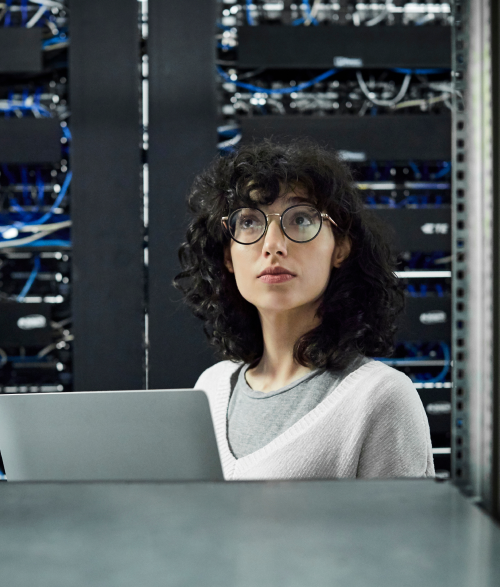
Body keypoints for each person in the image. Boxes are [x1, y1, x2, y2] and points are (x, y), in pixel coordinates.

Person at [175, 139, 435, 481]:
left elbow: (407, 535)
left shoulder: (380, 397)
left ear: (340, 247)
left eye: (300, 219)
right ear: (228, 257)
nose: (272, 246)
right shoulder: (210, 388)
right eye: (249, 222)